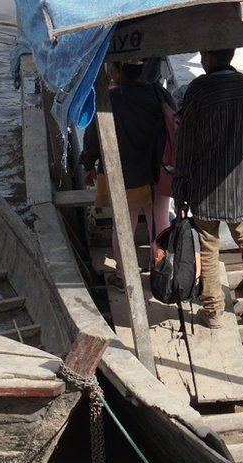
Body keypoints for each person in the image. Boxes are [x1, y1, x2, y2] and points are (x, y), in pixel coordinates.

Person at [173, 48, 243, 328]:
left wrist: (181, 189)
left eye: (202, 56)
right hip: (242, 188)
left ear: (209, 59)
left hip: (204, 186)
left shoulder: (198, 90)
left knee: (209, 248)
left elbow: (184, 143)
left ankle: (212, 312)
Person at [81, 59, 175, 291]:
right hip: (158, 172)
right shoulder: (160, 94)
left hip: (125, 174)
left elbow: (93, 136)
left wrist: (88, 164)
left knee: (124, 225)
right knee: (160, 221)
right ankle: (161, 270)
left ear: (119, 72)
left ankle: (123, 276)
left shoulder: (111, 99)